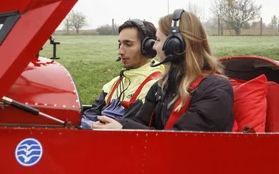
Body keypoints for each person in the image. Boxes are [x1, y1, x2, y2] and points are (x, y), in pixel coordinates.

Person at [92, 9, 234, 132]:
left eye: (158, 40)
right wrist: (115, 124)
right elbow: (140, 122)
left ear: (175, 46)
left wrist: (123, 128)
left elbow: (183, 140)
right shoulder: (162, 85)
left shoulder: (216, 89)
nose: (153, 47)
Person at [80, 19, 165, 129]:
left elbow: (128, 124)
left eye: (128, 44)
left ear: (148, 47)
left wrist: (88, 124)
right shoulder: (114, 83)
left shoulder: (156, 84)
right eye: (120, 44)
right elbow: (90, 114)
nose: (120, 51)